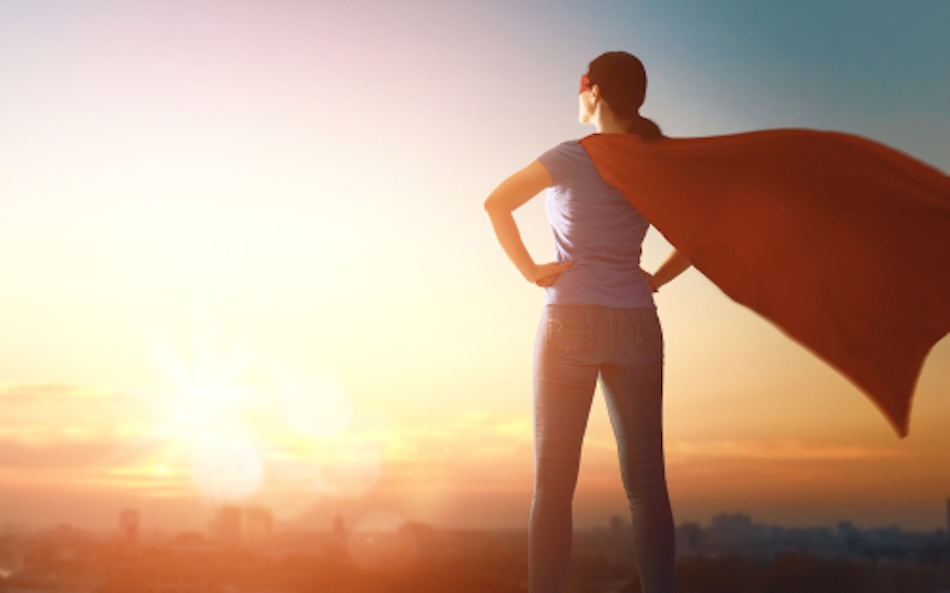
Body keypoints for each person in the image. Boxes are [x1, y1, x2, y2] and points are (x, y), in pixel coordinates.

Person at [484, 51, 690, 593]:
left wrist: (532, 271)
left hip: (569, 318)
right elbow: (699, 238)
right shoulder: (656, 161)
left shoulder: (572, 157)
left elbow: (496, 203)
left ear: (593, 91)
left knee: (553, 488)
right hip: (638, 323)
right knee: (647, 488)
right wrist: (654, 279)